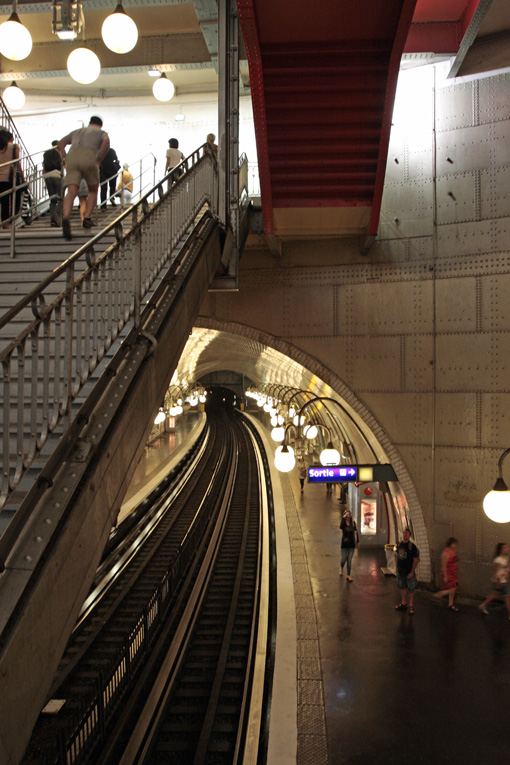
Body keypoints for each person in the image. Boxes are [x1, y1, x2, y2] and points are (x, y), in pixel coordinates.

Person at [58, 115, 110, 240]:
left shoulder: (77, 132)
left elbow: (60, 143)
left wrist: (65, 158)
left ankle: (65, 217)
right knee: (93, 190)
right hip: (89, 156)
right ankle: (87, 218)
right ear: (100, 125)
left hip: (72, 157)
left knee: (71, 192)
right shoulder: (102, 133)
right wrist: (98, 159)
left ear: (89, 122)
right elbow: (106, 144)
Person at [479, 542, 510, 619]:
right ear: (501, 550)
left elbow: (506, 568)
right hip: (500, 581)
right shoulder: (497, 560)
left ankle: (483, 605)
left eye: (507, 547)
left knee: (495, 594)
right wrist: (497, 582)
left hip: (503, 580)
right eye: (505, 548)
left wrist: (507, 571)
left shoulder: (506, 558)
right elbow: (495, 572)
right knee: (507, 597)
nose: (507, 549)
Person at [0, 129, 23, 229]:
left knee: (4, 201)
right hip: (9, 178)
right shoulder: (14, 147)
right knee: (10, 200)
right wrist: (22, 176)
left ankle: (5, 223)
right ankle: (8, 221)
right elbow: (17, 163)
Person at [395, 528, 419, 614]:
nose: (405, 535)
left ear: (409, 536)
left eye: (407, 533)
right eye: (404, 533)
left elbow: (415, 560)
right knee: (402, 587)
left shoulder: (412, 547)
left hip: (409, 571)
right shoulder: (399, 544)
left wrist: (412, 572)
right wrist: (397, 567)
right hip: (401, 571)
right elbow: (397, 556)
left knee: (411, 589)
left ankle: (411, 605)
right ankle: (404, 603)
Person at [434, 537, 459, 611]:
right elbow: (444, 566)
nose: (455, 545)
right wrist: (445, 576)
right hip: (448, 573)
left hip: (453, 572)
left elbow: (455, 561)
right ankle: (436, 596)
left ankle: (450, 604)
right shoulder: (445, 553)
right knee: (451, 589)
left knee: (453, 588)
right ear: (450, 544)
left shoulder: (454, 551)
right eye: (453, 543)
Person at [42, 140, 62, 227]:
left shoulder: (46, 154)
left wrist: (44, 178)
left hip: (48, 177)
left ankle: (52, 219)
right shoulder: (58, 154)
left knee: (52, 199)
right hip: (57, 176)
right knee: (60, 198)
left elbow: (44, 168)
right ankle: (57, 216)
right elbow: (61, 167)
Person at [339, 510, 359, 581]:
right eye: (346, 516)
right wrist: (343, 519)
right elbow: (340, 527)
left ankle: (348, 575)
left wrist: (357, 541)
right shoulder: (344, 523)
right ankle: (341, 567)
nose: (348, 517)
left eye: (349, 516)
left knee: (349, 560)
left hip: (351, 544)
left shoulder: (353, 523)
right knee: (343, 559)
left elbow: (356, 532)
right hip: (344, 544)